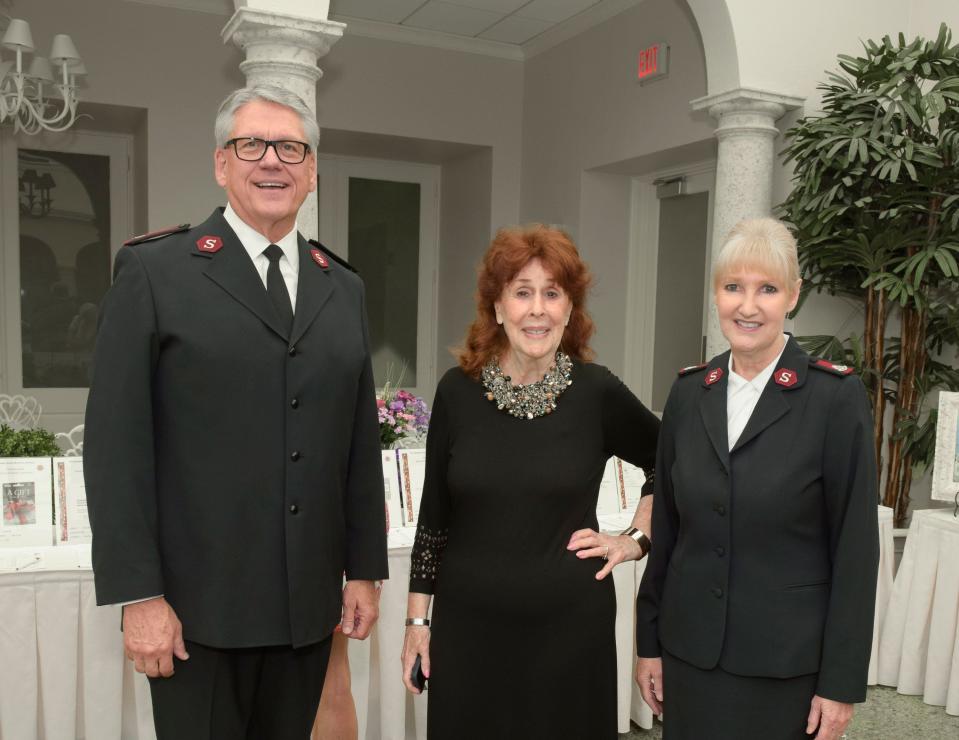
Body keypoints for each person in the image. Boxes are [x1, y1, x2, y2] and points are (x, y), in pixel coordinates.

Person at [84, 85, 388, 740]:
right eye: (251, 144)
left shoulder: (343, 287)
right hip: (198, 615)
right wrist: (140, 599)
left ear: (311, 170)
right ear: (222, 163)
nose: (271, 161)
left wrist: (364, 567)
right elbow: (115, 450)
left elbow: (358, 441)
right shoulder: (155, 272)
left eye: (290, 147)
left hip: (306, 611)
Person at [400, 225, 660, 739]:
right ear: (497, 307)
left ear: (569, 309)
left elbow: (674, 463)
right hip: (469, 634)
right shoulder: (457, 392)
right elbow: (433, 517)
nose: (537, 309)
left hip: (569, 636)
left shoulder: (597, 392)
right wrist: (416, 623)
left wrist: (634, 539)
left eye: (552, 293)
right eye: (522, 292)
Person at [635, 217, 879, 740]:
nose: (748, 306)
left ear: (792, 295)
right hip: (691, 656)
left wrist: (840, 683)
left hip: (785, 666)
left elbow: (856, 551)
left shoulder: (834, 399)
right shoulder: (688, 393)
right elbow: (670, 533)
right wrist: (649, 643)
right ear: (716, 295)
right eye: (733, 287)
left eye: (767, 289)